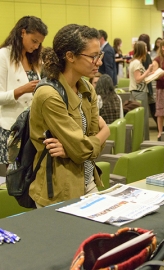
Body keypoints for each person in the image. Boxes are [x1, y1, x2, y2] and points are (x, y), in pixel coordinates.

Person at [29, 24, 110, 207]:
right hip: (59, 191)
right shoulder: (49, 94)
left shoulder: (87, 88)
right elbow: (83, 148)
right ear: (70, 56)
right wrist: (104, 132)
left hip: (88, 180)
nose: (99, 62)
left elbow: (85, 147)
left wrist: (73, 150)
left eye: (100, 55)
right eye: (93, 56)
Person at [0, 16, 48, 165]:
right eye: (34, 41)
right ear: (22, 33)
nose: (36, 46)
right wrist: (21, 90)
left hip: (33, 127)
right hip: (11, 129)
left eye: (39, 43)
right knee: (12, 177)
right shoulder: (3, 56)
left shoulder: (34, 59)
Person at [128, 41, 153, 140]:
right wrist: (148, 70)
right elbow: (138, 79)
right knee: (142, 118)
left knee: (141, 117)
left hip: (138, 92)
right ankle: (143, 140)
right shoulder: (137, 63)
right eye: (145, 48)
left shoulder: (135, 62)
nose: (147, 51)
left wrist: (150, 73)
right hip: (139, 93)